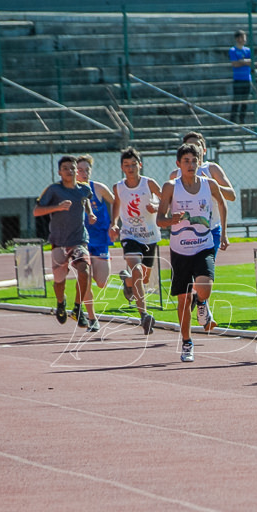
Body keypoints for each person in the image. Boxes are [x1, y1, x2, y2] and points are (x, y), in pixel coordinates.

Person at [156, 143, 230, 363]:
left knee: (204, 288)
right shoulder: (170, 187)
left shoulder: (209, 184)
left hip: (203, 245)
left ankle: (202, 304)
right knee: (183, 298)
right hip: (180, 250)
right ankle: (187, 342)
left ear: (200, 162)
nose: (190, 164)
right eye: (186, 161)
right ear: (178, 164)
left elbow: (223, 205)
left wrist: (224, 234)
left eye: (194, 160)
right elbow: (160, 219)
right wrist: (171, 220)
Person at [33, 155, 100, 332]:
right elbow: (36, 211)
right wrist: (57, 207)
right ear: (59, 172)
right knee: (59, 280)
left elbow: (85, 201)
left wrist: (90, 214)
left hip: (78, 240)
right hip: (59, 242)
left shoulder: (84, 189)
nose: (69, 171)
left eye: (72, 168)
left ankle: (78, 308)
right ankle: (61, 303)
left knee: (85, 270)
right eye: (65, 168)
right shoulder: (54, 190)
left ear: (77, 170)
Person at [110, 147, 161, 336]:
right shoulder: (119, 187)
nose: (130, 168)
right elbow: (116, 204)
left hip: (150, 236)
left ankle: (127, 281)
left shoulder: (149, 184)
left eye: (133, 164)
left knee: (144, 278)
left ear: (140, 165)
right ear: (122, 168)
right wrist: (114, 224)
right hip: (129, 235)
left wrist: (155, 205)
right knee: (138, 270)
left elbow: (166, 200)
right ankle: (144, 316)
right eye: (126, 165)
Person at [170, 131, 236, 259]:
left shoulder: (211, 169)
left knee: (204, 269)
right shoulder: (175, 175)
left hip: (210, 228)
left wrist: (213, 185)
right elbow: (168, 202)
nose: (194, 148)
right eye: (189, 145)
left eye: (197, 145)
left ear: (204, 150)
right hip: (186, 231)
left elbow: (231, 196)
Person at [74, 154, 115, 323]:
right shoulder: (70, 191)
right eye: (80, 170)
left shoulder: (99, 188)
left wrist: (114, 222)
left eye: (87, 170)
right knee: (86, 277)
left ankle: (126, 279)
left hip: (100, 240)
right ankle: (92, 317)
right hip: (81, 241)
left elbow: (116, 202)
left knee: (102, 282)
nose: (84, 173)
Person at [229, 29, 253, 123]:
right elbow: (235, 64)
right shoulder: (233, 50)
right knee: (236, 102)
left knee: (245, 102)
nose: (244, 39)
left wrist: (242, 61)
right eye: (242, 37)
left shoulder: (248, 50)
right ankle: (233, 122)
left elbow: (252, 62)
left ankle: (242, 121)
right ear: (237, 39)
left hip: (247, 79)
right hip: (238, 79)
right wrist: (244, 62)